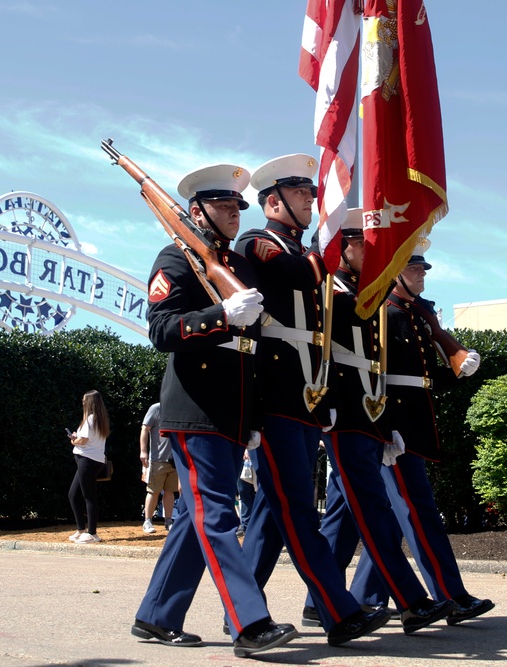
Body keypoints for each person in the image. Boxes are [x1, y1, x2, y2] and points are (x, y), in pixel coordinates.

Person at [132, 163, 297, 657]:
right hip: (196, 406)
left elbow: (252, 354)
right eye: (224, 206)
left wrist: (252, 419)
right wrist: (221, 315)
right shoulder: (176, 259)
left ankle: (157, 616)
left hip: (233, 411)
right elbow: (161, 330)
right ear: (196, 211)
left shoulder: (238, 267)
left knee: (192, 516)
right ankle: (249, 621)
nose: (234, 212)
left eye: (237, 206)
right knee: (216, 514)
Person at [233, 154, 390, 645]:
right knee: (298, 508)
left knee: (272, 513)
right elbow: (300, 278)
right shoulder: (257, 242)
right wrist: (328, 237)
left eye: (312, 193)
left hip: (307, 394)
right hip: (277, 394)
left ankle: (241, 609)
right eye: (303, 195)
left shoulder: (304, 249)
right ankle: (337, 609)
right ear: (274, 201)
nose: (312, 201)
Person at [305, 210, 457, 635]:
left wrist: (385, 420)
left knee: (349, 513)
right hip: (344, 413)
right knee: (372, 511)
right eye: (364, 246)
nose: (373, 255)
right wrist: (327, 406)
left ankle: (324, 603)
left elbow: (375, 364)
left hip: (369, 413)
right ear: (343, 247)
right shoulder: (330, 290)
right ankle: (409, 601)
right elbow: (324, 355)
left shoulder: (361, 290)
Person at [348, 238, 495, 625]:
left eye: (423, 268)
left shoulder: (416, 313)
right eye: (414, 268)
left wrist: (455, 368)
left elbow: (423, 378)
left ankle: (363, 596)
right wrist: (385, 427)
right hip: (393, 425)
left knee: (401, 514)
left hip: (415, 421)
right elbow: (375, 375)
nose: (422, 273)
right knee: (417, 510)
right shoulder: (385, 312)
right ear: (395, 272)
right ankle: (452, 595)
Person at [67, 390, 110, 544]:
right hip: (93, 460)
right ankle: (81, 530)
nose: (82, 402)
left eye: (84, 400)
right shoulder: (100, 420)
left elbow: (83, 441)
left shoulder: (90, 420)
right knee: (73, 494)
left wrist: (73, 440)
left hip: (87, 460)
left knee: (88, 497)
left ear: (89, 402)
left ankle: (92, 533)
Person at [139, 402, 177, 534]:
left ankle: (168, 520)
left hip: (174, 459)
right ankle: (147, 521)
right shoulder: (156, 408)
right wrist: (143, 451)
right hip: (157, 459)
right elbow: (145, 429)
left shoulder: (178, 408)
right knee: (153, 491)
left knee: (170, 491)